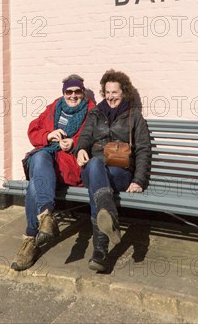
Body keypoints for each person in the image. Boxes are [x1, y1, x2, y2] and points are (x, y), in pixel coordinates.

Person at [11, 74, 95, 271]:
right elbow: (33, 130)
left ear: (82, 93)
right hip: (47, 162)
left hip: (69, 165)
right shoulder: (54, 107)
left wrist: (75, 143)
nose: (73, 96)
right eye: (69, 92)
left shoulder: (92, 111)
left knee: (35, 182)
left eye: (77, 92)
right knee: (39, 158)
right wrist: (48, 135)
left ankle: (31, 238)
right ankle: (46, 217)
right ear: (63, 93)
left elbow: (97, 137)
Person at [75, 69, 151, 272]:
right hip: (94, 167)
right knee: (95, 165)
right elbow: (84, 138)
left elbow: (143, 149)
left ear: (124, 92)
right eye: (107, 92)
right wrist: (81, 149)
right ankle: (109, 217)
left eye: (114, 92)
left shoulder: (134, 116)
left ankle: (100, 251)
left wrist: (139, 180)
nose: (110, 97)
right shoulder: (95, 113)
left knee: (98, 187)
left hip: (120, 171)